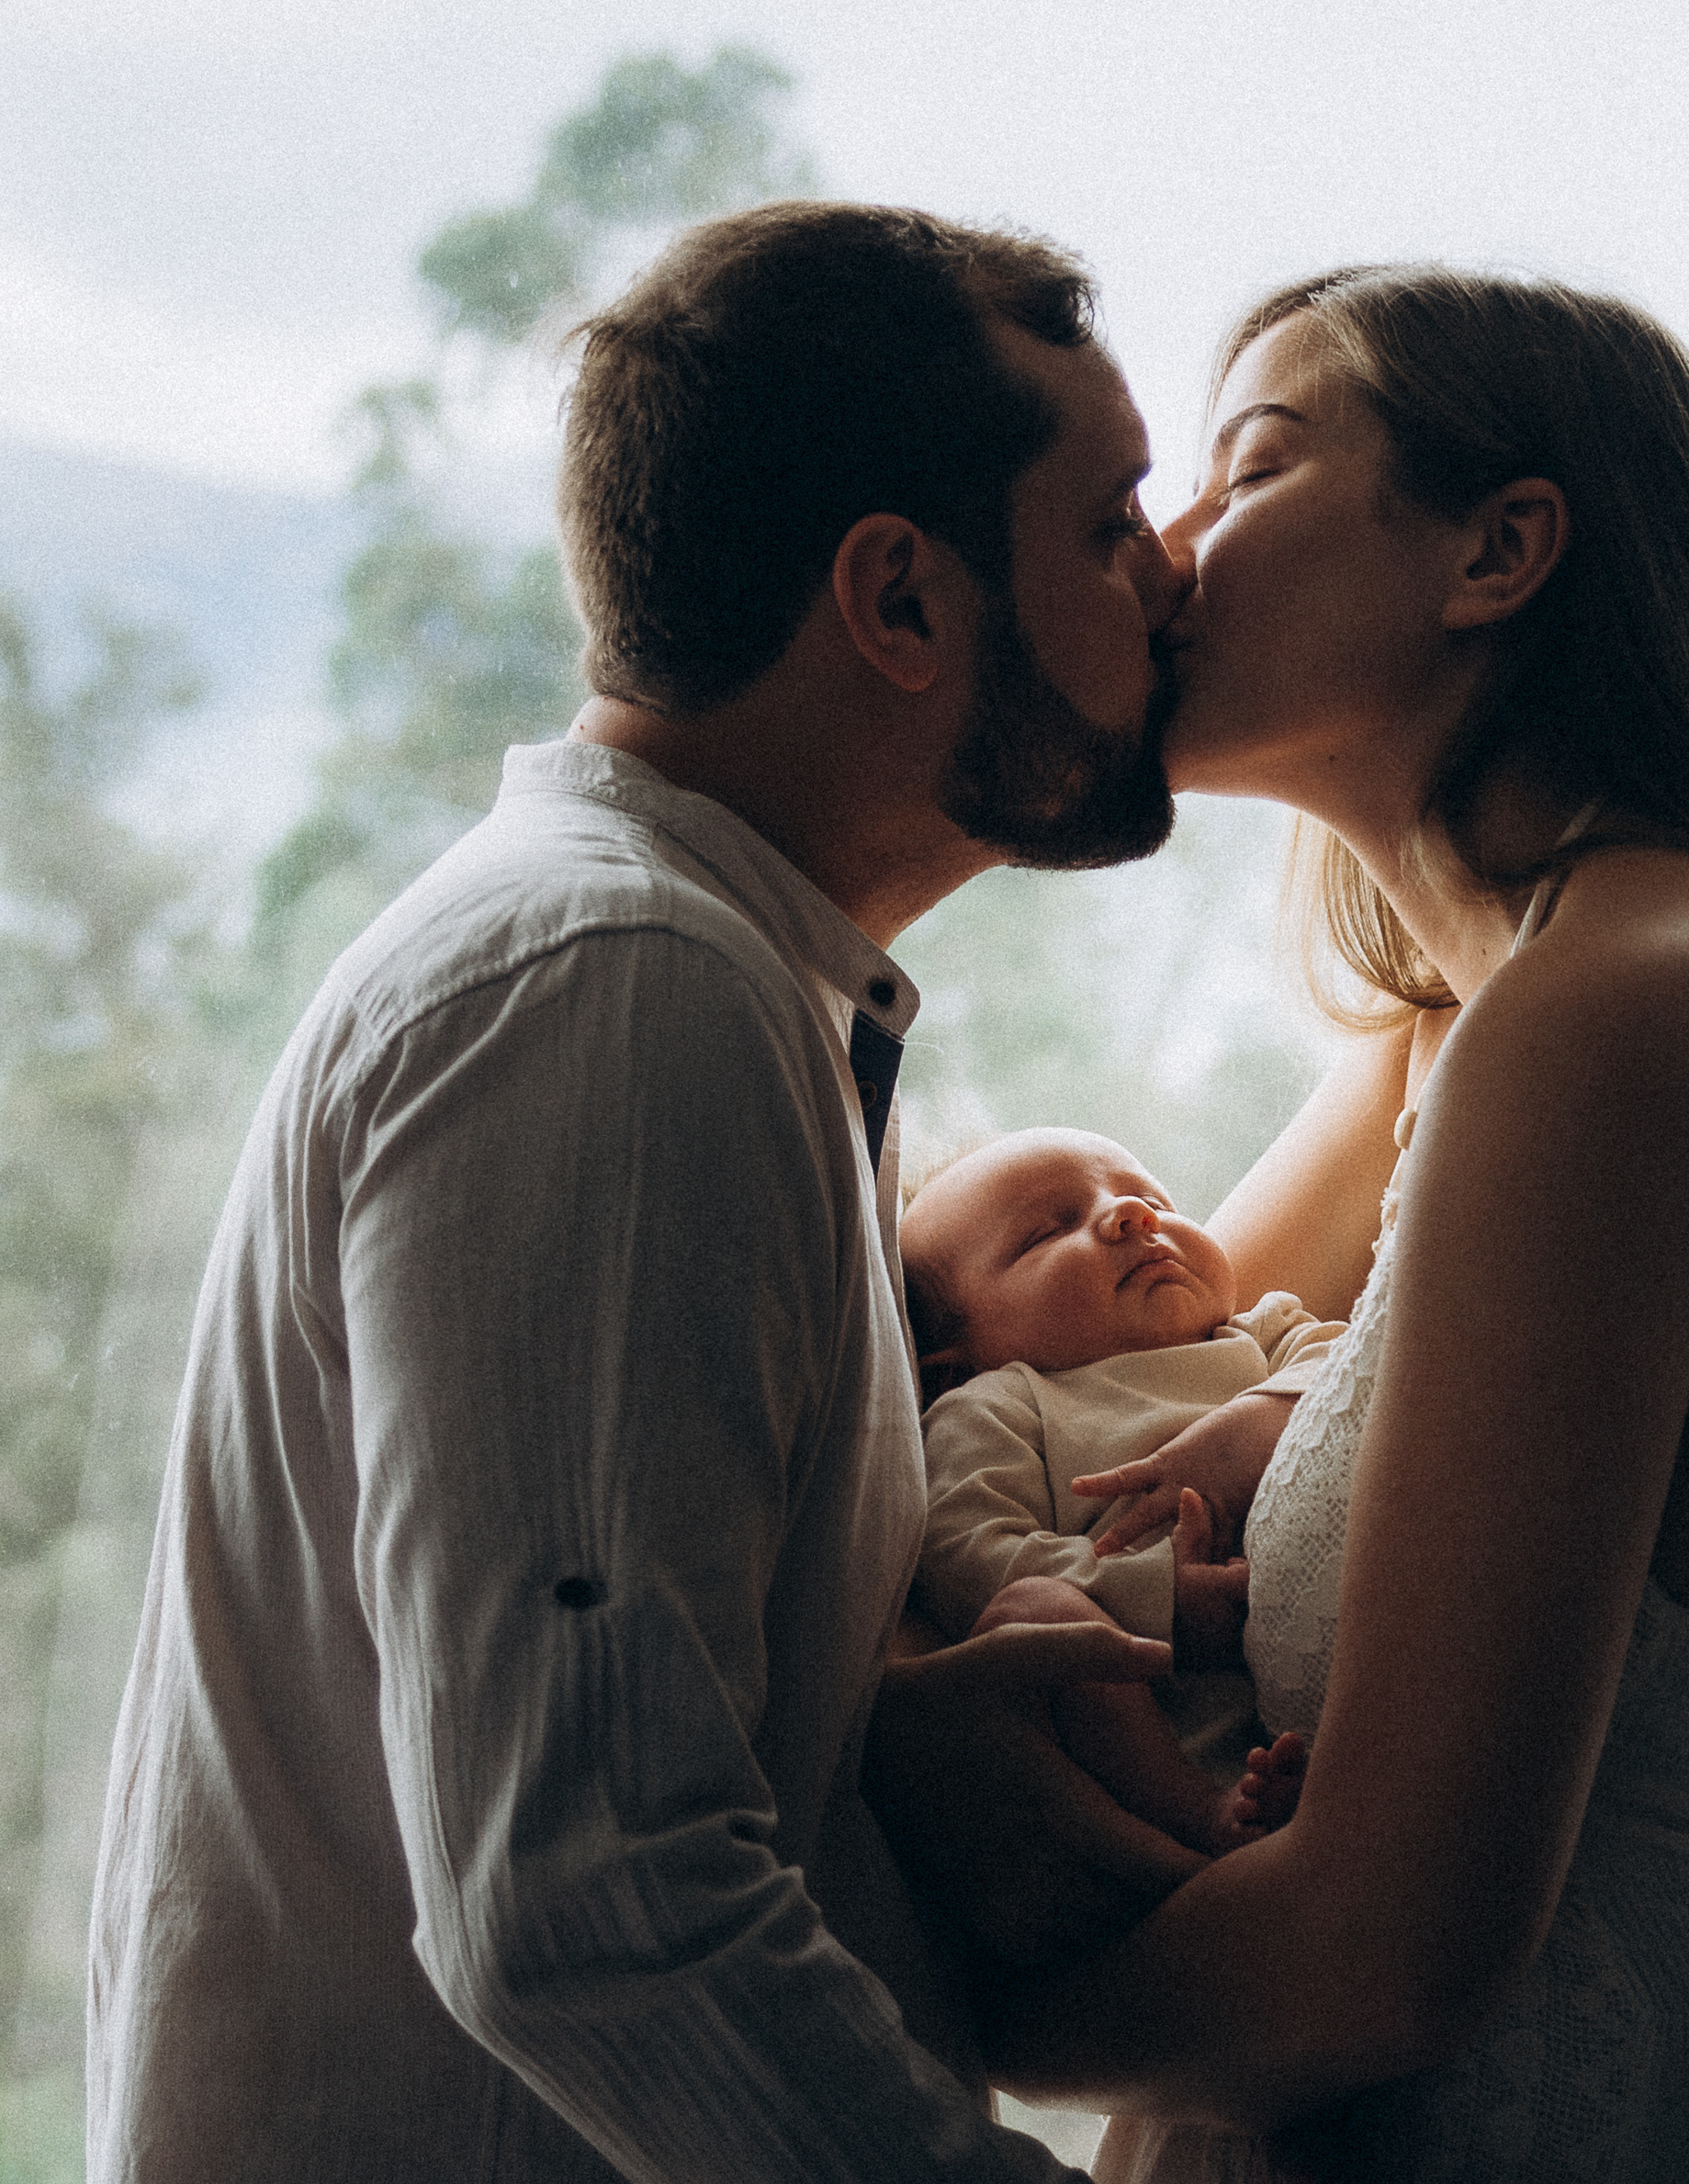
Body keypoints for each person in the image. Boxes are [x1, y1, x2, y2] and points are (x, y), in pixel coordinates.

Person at [84, 202, 1206, 2184]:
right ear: (897, 597)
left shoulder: (707, 980)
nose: (1173, 574)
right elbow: (591, 1905)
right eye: (1112, 522)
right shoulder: (617, 988)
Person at [969, 267, 1689, 2180]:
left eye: (1251, 467)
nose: (1169, 546)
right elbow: (1096, 1437)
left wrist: (878, 1995)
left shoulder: (1631, 1004)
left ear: (1497, 551)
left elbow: (1383, 1957)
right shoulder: (1477, 1025)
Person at [903, 1127, 1336, 1855]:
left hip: (1327, 1645)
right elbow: (964, 1551)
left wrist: (1254, 1419)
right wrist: (1158, 1597)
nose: (1131, 1214)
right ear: (955, 1366)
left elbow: (1365, 1371)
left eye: (1150, 1195)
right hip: (1151, 1726)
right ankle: (1202, 1813)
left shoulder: (1260, 1333)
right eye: (1048, 1230)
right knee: (1033, 1612)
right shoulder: (1001, 1402)